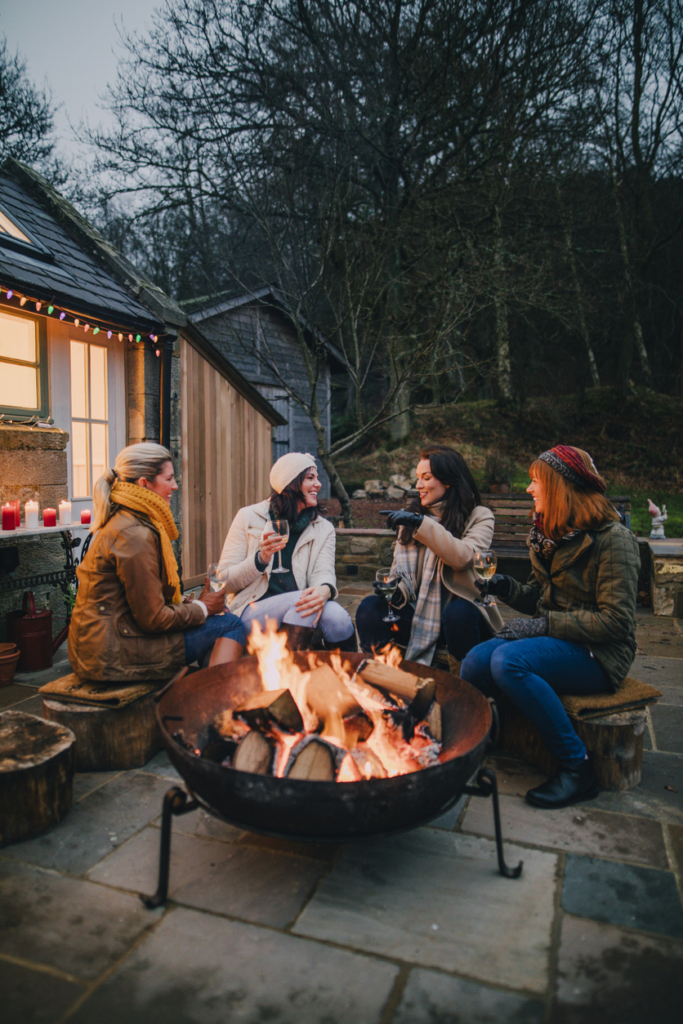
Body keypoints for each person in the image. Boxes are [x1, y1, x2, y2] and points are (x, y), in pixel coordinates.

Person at [461, 445, 640, 810]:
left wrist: (541, 625)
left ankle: (578, 768)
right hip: (559, 636)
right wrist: (505, 587)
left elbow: (616, 621)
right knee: (476, 661)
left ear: (560, 486)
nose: (529, 490)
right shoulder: (551, 534)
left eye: (535, 481)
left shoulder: (613, 540)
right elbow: (542, 598)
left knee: (508, 661)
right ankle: (486, 737)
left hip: (601, 653)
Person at [68, 443, 246, 681]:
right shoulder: (134, 535)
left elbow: (138, 600)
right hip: (112, 655)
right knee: (231, 624)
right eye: (169, 478)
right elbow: (153, 619)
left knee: (217, 618)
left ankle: (200, 690)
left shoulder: (130, 519)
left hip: (107, 644)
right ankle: (214, 698)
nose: (175, 485)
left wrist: (194, 604)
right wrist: (203, 608)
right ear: (144, 483)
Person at [355, 445, 503, 668]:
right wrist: (396, 593)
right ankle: (382, 678)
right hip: (419, 616)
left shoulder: (479, 516)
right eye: (418, 478)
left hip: (461, 621)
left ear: (448, 480)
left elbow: (463, 557)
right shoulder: (415, 516)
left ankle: (465, 685)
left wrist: (420, 524)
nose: (418, 486)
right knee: (369, 607)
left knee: (458, 612)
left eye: (426, 477)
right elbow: (400, 573)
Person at [216, 451, 356, 650]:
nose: (319, 484)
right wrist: (260, 559)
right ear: (290, 483)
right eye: (310, 478)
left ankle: (351, 676)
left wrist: (325, 590)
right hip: (252, 611)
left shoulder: (323, 528)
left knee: (338, 616)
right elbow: (224, 582)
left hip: (299, 611)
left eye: (317, 477)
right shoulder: (248, 517)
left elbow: (323, 572)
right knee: (303, 602)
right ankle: (291, 676)